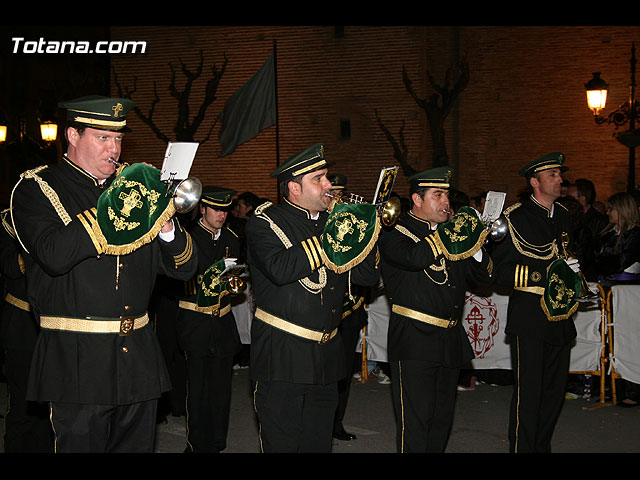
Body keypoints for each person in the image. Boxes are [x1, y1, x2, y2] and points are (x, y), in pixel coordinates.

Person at [9, 95, 198, 453]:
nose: (114, 148)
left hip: (138, 355)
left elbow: (185, 268)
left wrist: (167, 226)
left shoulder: (134, 191)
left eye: (119, 138)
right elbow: (53, 255)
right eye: (102, 137)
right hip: (77, 359)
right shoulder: (36, 188)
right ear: (72, 136)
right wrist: (119, 205)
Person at [245, 143, 380, 452]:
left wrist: (366, 233)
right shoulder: (265, 222)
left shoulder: (331, 225)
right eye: (319, 178)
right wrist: (336, 235)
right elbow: (280, 269)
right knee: (283, 444)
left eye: (327, 176)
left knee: (318, 444)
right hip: (282, 354)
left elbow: (365, 278)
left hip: (326, 354)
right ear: (294, 187)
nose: (328, 185)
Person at [379, 166, 493, 453]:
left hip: (451, 339)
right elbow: (415, 257)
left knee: (442, 420)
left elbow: (486, 278)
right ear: (417, 199)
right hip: (415, 339)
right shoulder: (395, 233)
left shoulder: (451, 235)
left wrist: (476, 242)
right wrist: (454, 231)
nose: (446, 202)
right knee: (416, 422)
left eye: (447, 195)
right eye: (438, 195)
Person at [492, 152, 580, 453]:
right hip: (530, 316)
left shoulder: (565, 216)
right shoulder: (514, 218)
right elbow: (498, 271)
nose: (560, 180)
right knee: (529, 394)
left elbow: (569, 258)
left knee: (553, 395)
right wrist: (543, 273)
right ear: (534, 182)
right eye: (552, 175)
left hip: (561, 316)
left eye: (559, 174)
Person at [176, 186, 242, 453]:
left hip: (223, 321)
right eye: (215, 209)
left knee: (221, 389)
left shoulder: (233, 238)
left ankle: (217, 441)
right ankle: (196, 445)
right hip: (195, 321)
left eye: (225, 210)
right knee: (198, 390)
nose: (221, 215)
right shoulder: (188, 237)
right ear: (202, 208)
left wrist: (234, 283)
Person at [0, 208, 53, 452]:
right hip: (22, 324)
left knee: (49, 406)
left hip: (55, 326)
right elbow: (9, 265)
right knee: (21, 403)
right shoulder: (9, 220)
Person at [326, 173, 368, 442]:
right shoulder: (320, 225)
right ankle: (321, 421)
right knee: (324, 371)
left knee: (342, 372)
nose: (337, 201)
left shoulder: (352, 227)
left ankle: (336, 422)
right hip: (326, 309)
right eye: (333, 195)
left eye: (340, 196)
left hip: (351, 309)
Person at [593, 191, 640, 408]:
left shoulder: (635, 235)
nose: (608, 212)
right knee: (608, 338)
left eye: (611, 209)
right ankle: (610, 386)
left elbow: (618, 262)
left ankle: (632, 389)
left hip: (629, 292)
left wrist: (604, 261)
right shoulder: (610, 234)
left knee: (629, 339)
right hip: (610, 287)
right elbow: (597, 261)